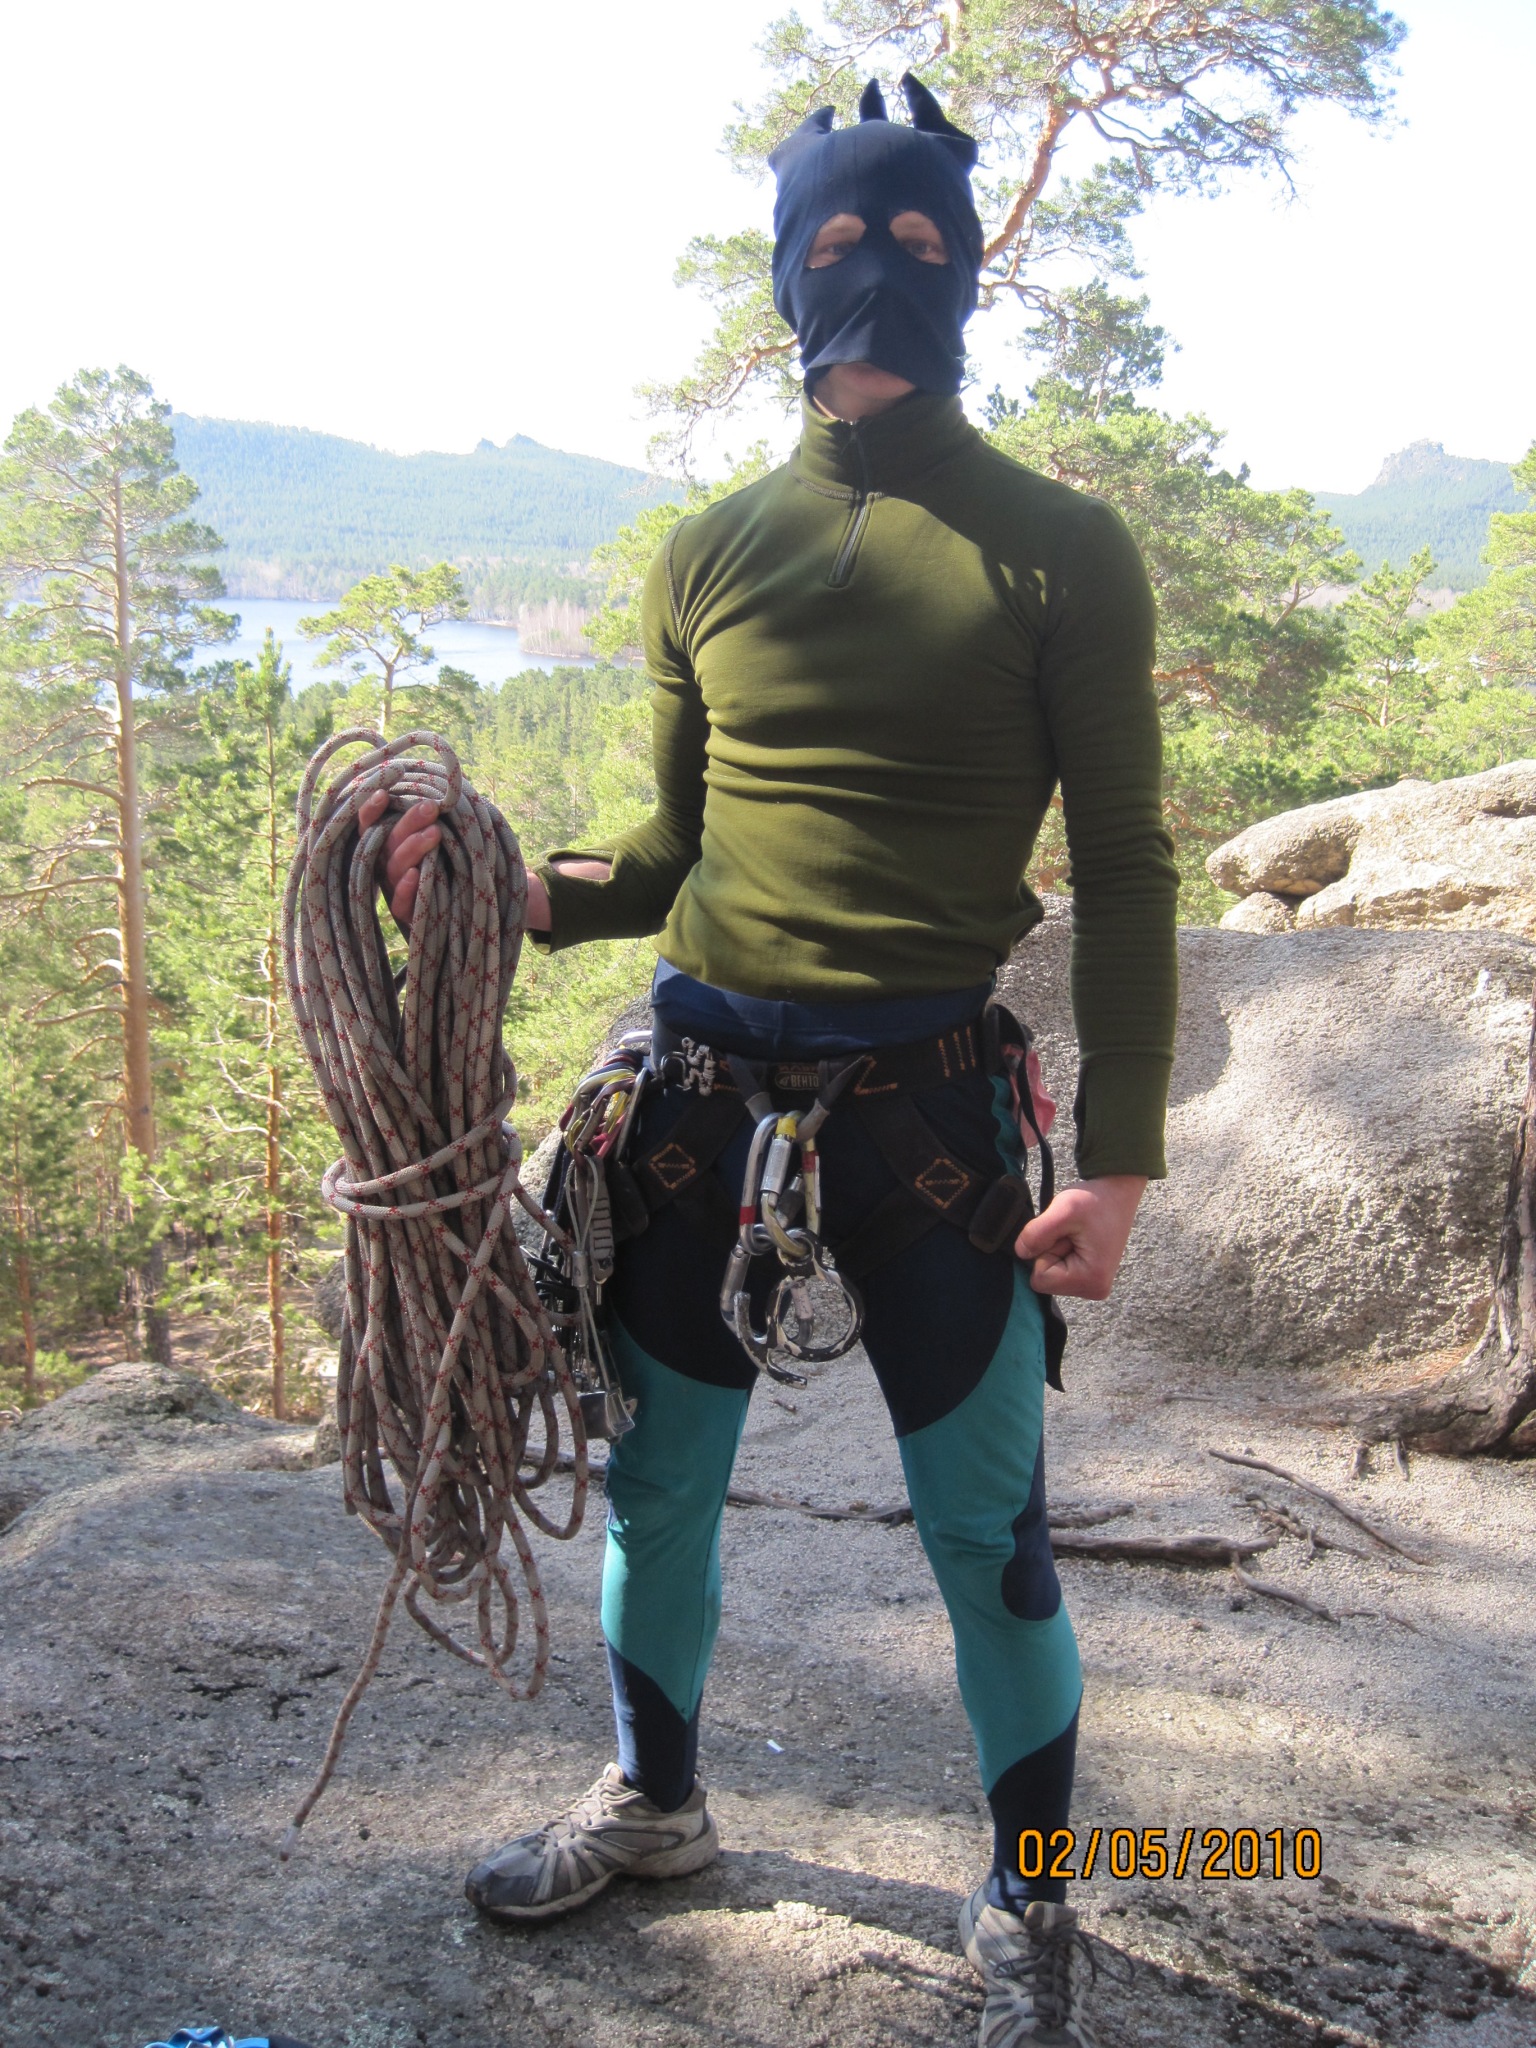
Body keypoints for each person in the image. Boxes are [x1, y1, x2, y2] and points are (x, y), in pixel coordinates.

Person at [368, 73, 1177, 2048]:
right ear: (783, 277)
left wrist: (1122, 1162)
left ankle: (1034, 1893)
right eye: (835, 241)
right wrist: (503, 886)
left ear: (967, 269)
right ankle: (658, 1806)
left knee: (988, 1533)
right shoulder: (708, 552)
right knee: (661, 1492)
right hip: (694, 1102)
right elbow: (667, 853)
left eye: (915, 240)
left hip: (935, 1120)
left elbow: (1132, 863)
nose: (878, 272)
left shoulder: (1064, 549)